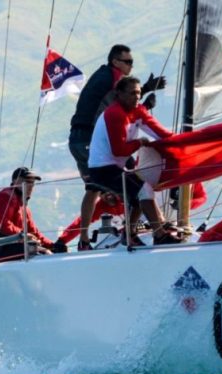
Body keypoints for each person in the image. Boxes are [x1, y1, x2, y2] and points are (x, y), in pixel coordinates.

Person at [69, 44, 165, 250]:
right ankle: (93, 239)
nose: (131, 66)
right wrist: (147, 96)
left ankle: (130, 231)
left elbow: (121, 103)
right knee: (100, 186)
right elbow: (117, 105)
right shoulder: (112, 76)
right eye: (128, 62)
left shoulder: (105, 75)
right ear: (115, 62)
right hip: (87, 137)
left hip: (83, 136)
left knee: (125, 181)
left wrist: (145, 94)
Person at [88, 76, 181, 245]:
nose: (137, 97)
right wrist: (139, 142)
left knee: (138, 194)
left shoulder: (137, 110)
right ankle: (159, 234)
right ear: (119, 94)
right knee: (143, 190)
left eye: (138, 93)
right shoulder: (115, 114)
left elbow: (161, 134)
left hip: (114, 167)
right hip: (101, 169)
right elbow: (119, 150)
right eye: (132, 93)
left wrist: (183, 142)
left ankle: (128, 235)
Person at [0, 167, 58, 261]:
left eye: (32, 183)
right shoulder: (5, 196)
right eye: (27, 182)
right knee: (44, 253)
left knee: (54, 252)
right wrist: (22, 235)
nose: (31, 186)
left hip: (15, 246)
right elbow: (0, 224)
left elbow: (34, 232)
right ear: (15, 181)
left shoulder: (24, 207)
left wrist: (53, 245)